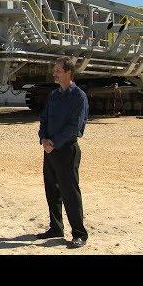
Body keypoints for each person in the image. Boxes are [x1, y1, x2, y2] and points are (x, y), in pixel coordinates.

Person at [37, 57, 89, 249]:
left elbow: (74, 126)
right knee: (51, 190)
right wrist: (43, 139)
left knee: (70, 192)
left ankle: (79, 233)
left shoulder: (79, 96)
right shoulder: (54, 95)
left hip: (67, 150)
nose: (54, 73)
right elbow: (44, 119)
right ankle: (56, 227)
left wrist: (55, 143)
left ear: (68, 72)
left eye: (58, 70)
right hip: (49, 149)